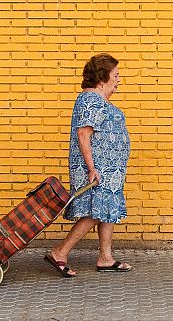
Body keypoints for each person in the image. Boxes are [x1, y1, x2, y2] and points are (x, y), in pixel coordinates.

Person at [43, 53, 132, 277]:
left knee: (106, 211)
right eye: (116, 75)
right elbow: (83, 133)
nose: (119, 79)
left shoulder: (98, 99)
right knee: (95, 211)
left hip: (109, 170)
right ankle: (59, 252)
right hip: (98, 169)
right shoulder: (91, 99)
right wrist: (92, 168)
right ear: (102, 79)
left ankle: (105, 257)